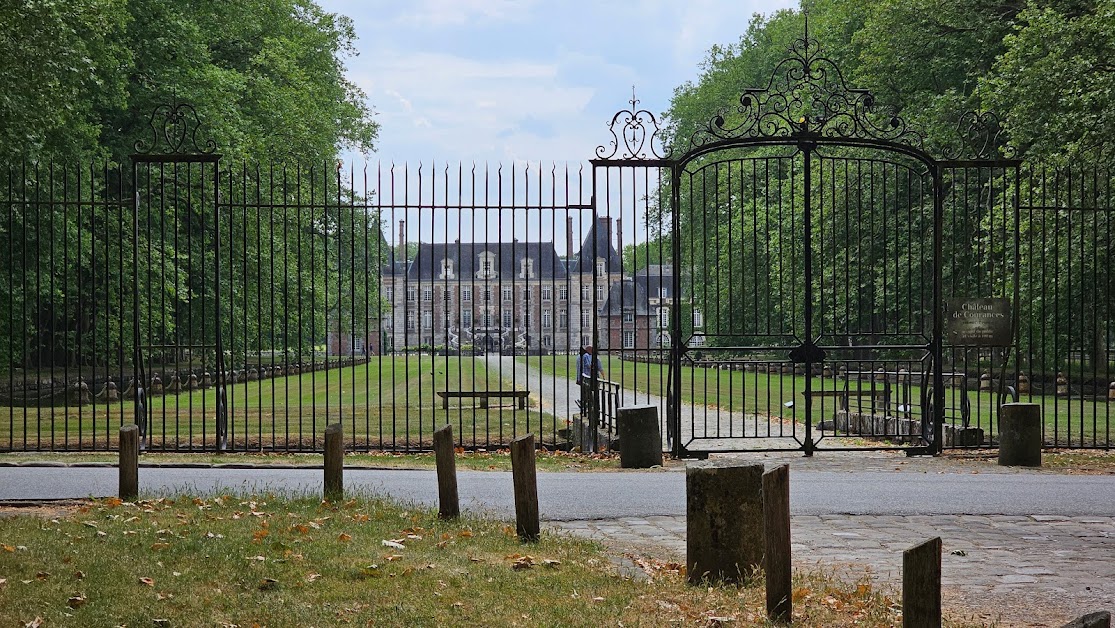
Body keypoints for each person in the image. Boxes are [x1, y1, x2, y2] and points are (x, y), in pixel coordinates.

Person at [577, 345, 605, 425]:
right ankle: (591, 407)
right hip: (589, 378)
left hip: (582, 378)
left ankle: (584, 404)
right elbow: (593, 366)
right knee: (592, 393)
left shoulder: (579, 357)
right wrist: (602, 376)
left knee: (585, 392)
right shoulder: (587, 356)